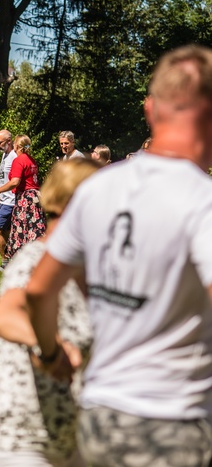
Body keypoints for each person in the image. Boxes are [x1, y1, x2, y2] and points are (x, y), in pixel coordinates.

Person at [26, 45, 212, 466]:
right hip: (174, 421)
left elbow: (38, 290)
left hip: (100, 416)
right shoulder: (202, 201)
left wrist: (50, 354)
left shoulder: (99, 188)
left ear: (149, 109)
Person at [0, 158, 99, 467]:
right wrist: (52, 350)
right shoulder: (36, 259)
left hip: (76, 442)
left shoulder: (97, 268)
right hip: (21, 442)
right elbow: (6, 315)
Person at [0, 135, 45, 260]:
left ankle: (18, 260)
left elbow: (15, 181)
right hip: (36, 198)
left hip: (25, 199)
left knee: (22, 230)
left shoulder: (19, 160)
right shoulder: (31, 160)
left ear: (16, 145)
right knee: (35, 230)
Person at [0, 129, 17, 272]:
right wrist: (1, 195)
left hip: (11, 201)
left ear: (8, 141)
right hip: (4, 200)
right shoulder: (5, 155)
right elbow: (4, 178)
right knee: (6, 233)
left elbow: (14, 180)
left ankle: (5, 262)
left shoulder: (14, 156)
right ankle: (11, 261)